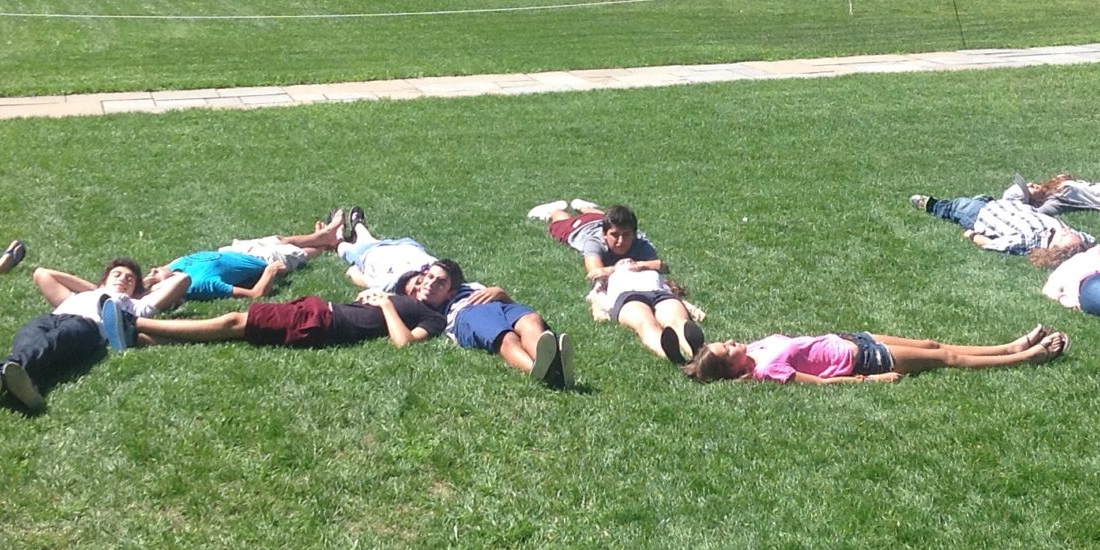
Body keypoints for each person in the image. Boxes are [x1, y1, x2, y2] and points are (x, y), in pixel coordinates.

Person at [127, 261, 465, 354]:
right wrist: (377, 298)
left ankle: (137, 324)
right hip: (319, 311)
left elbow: (404, 343)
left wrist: (386, 305)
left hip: (323, 322)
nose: (429, 284)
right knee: (240, 334)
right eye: (429, 277)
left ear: (449, 293)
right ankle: (148, 340)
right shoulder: (407, 295)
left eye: (440, 284)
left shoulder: (432, 318)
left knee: (235, 322)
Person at [0, 259, 162, 412]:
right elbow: (42, 273)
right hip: (50, 319)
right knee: (30, 339)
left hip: (87, 326)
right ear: (104, 280)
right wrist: (98, 289)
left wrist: (144, 287)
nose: (123, 279)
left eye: (130, 279)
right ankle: (29, 388)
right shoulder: (77, 297)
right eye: (117, 274)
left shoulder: (131, 304)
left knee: (53, 342)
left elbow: (180, 282)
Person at [537, 202, 704, 360]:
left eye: (626, 235)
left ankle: (584, 206)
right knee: (562, 218)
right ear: (605, 235)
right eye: (614, 235)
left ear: (634, 233)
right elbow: (595, 272)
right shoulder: (594, 243)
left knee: (597, 214)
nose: (620, 241)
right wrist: (622, 266)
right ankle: (555, 209)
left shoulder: (640, 243)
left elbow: (660, 265)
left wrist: (638, 265)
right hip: (580, 227)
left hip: (602, 221)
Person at [684, 326, 1067, 382]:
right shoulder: (766, 369)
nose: (735, 343)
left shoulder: (756, 350)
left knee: (934, 345)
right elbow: (819, 384)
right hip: (865, 361)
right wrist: (873, 379)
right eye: (729, 348)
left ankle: (1010, 346)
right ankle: (1026, 358)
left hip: (856, 337)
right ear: (732, 368)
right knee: (945, 359)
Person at [147, 216, 345, 302]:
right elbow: (255, 295)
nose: (154, 270)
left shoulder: (177, 267)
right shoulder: (199, 285)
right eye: (155, 276)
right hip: (262, 261)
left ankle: (323, 236)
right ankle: (330, 242)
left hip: (237, 250)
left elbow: (158, 280)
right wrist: (270, 272)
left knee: (280, 239)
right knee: (297, 252)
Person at [445, 282, 576, 389]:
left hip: (499, 303)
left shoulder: (470, 285)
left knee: (531, 319)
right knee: (505, 337)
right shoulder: (428, 306)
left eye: (441, 281)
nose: (432, 283)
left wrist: (501, 293)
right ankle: (548, 373)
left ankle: (551, 364)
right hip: (467, 312)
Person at [920, 193, 1093, 259]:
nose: (1068, 229)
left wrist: (972, 236)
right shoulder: (1075, 241)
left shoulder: (1029, 240)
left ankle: (934, 206)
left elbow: (993, 244)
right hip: (1003, 205)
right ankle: (981, 198)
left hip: (981, 216)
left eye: (1066, 234)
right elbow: (1090, 242)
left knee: (959, 205)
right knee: (985, 197)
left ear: (1056, 246)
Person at [336, 209, 442, 293]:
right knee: (367, 239)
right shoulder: (437, 273)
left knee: (343, 248)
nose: (425, 285)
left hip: (368, 254)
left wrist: (355, 271)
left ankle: (338, 235)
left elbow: (356, 275)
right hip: (406, 245)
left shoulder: (391, 284)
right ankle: (357, 224)